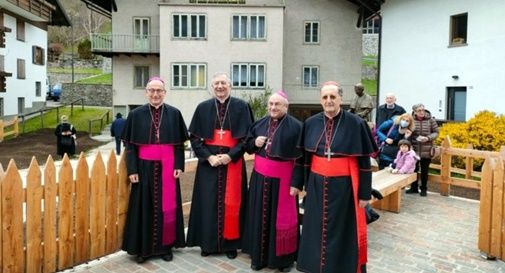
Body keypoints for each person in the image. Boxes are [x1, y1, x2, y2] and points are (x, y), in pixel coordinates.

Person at [297, 81, 377, 273]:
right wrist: (302, 184)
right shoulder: (311, 123)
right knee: (315, 228)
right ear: (320, 100)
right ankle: (314, 266)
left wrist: (365, 194)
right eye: (325, 97)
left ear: (341, 98)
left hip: (345, 187)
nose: (329, 100)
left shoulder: (356, 123)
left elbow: (364, 163)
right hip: (316, 184)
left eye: (333, 97)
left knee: (343, 230)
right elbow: (305, 158)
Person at [121, 77, 189, 263]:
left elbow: (179, 145)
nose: (155, 94)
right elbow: (130, 146)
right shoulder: (136, 115)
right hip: (144, 168)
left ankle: (165, 247)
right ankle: (144, 249)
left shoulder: (174, 114)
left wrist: (178, 165)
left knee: (167, 207)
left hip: (168, 168)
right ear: (146, 92)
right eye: (152, 90)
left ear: (164, 93)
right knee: (144, 207)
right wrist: (132, 170)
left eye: (159, 91)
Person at [186, 72, 254, 259]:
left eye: (223, 83)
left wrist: (230, 156)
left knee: (232, 203)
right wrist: (209, 157)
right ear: (212, 86)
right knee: (208, 202)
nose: (220, 86)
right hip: (209, 164)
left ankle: (230, 244)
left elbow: (247, 138)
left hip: (232, 163)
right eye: (216, 83)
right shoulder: (203, 107)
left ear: (230, 85)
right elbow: (194, 138)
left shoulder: (242, 107)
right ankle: (208, 244)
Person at [242, 91, 303, 272]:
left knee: (281, 219)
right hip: (260, 178)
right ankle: (258, 257)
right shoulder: (260, 123)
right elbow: (247, 145)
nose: (273, 108)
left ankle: (282, 260)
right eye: (271, 104)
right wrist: (255, 143)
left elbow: (301, 159)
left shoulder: (297, 127)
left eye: (277, 104)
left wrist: (297, 183)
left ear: (286, 106)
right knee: (258, 215)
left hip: (283, 181)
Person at [407, 103, 439, 197]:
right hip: (414, 149)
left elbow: (436, 132)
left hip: (427, 149)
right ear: (415, 112)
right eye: (419, 110)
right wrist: (410, 144)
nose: (422, 112)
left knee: (425, 170)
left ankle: (424, 189)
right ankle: (413, 188)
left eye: (423, 110)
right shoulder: (411, 120)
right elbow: (408, 133)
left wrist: (428, 138)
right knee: (414, 169)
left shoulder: (431, 120)